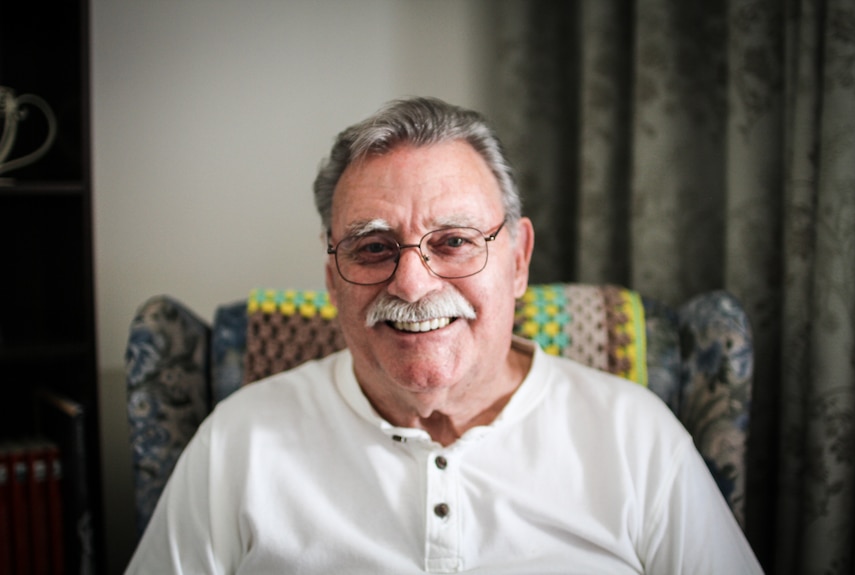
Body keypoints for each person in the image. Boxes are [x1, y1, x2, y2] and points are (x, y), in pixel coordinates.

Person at [126, 97, 763, 574]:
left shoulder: (638, 437)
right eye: (373, 247)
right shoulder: (236, 445)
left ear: (517, 259)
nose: (410, 283)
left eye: (454, 242)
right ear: (332, 279)